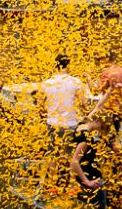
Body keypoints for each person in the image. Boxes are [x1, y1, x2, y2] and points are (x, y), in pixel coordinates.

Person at [38, 53, 89, 187]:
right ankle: (72, 186)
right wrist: (88, 115)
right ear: (68, 65)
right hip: (70, 123)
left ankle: (52, 185)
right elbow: (83, 104)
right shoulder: (76, 82)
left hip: (53, 123)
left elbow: (39, 105)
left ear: (55, 65)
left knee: (53, 154)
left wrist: (48, 113)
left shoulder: (46, 83)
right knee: (72, 155)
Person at [70, 114, 111, 209]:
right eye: (102, 127)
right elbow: (74, 162)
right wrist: (87, 181)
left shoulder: (80, 126)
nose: (100, 131)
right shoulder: (86, 138)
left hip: (82, 180)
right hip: (91, 181)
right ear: (97, 121)